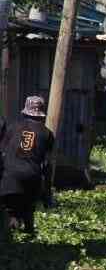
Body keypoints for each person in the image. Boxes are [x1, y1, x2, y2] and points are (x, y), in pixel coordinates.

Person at [0, 96, 55, 235]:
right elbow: (47, 165)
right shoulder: (47, 134)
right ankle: (28, 230)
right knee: (28, 207)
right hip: (31, 178)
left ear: (24, 112)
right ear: (42, 115)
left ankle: (12, 224)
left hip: (9, 177)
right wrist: (47, 193)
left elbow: (2, 153)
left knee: (10, 207)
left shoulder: (12, 127)